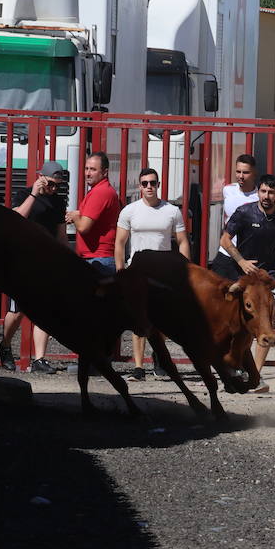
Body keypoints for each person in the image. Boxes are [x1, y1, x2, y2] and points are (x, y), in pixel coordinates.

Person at [216, 173, 275, 391]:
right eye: (263, 191)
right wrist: (242, 261)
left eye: (271, 192)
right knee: (240, 323)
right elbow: (224, 239)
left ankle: (256, 375)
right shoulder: (244, 212)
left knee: (267, 319)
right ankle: (234, 368)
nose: (266, 196)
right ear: (258, 191)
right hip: (245, 274)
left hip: (268, 275)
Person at [115, 167, 189, 381]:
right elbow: (119, 243)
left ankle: (159, 359)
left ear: (158, 185)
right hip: (137, 270)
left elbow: (182, 241)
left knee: (162, 319)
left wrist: (184, 270)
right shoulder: (130, 211)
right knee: (139, 320)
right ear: (139, 186)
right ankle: (139, 367)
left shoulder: (171, 211)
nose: (149, 186)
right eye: (145, 183)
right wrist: (120, 270)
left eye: (153, 183)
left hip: (164, 271)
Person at [0, 161, 69, 375]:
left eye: (58, 185)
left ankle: (39, 358)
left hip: (46, 260)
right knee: (17, 311)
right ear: (40, 178)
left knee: (44, 311)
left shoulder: (58, 202)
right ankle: (6, 345)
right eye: (51, 184)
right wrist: (35, 194)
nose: (54, 189)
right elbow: (16, 218)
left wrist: (65, 259)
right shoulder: (23, 194)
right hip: (21, 260)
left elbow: (61, 234)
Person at [65, 151, 121, 278]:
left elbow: (84, 227)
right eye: (86, 169)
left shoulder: (100, 192)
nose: (88, 173)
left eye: (93, 169)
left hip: (98, 260)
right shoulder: (102, 190)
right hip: (98, 259)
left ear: (105, 172)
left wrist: (75, 217)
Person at [211, 153, 259, 274]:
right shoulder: (228, 190)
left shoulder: (259, 197)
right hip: (226, 252)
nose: (241, 176)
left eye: (246, 172)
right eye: (238, 172)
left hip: (247, 256)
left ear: (254, 172)